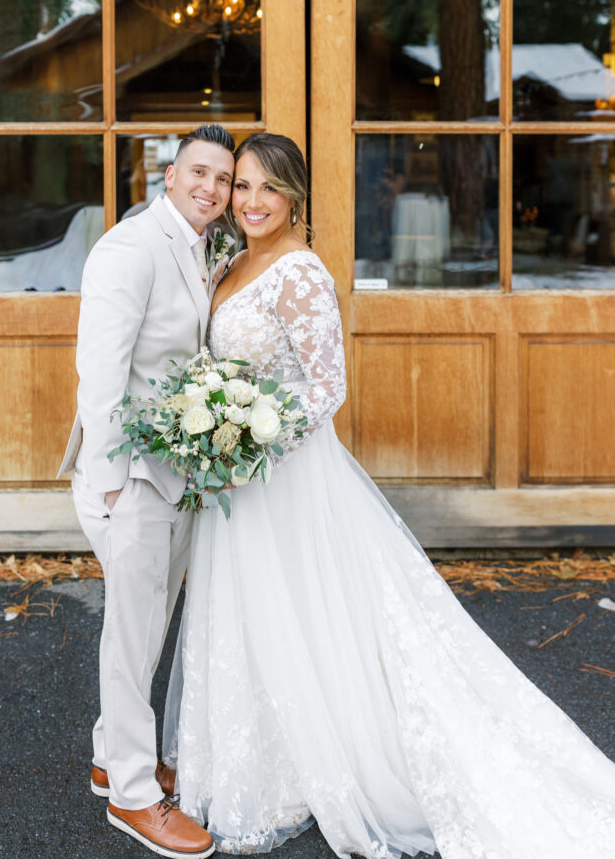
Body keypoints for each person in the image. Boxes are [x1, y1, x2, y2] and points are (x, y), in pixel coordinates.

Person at [162, 132, 615, 859]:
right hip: (236, 481)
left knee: (308, 614)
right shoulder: (229, 260)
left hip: (284, 477)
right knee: (252, 614)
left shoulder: (300, 272)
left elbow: (327, 386)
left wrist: (252, 440)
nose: (250, 202)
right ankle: (270, 766)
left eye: (267, 189)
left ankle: (339, 763)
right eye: (241, 186)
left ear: (294, 199)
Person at [58, 124, 235, 859]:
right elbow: (100, 373)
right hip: (128, 476)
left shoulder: (202, 248)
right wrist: (108, 486)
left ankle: (111, 755)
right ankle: (134, 795)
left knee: (152, 623)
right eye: (199, 172)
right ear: (170, 175)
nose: (211, 188)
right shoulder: (131, 248)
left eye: (223, 179)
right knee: (130, 636)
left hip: (177, 472)